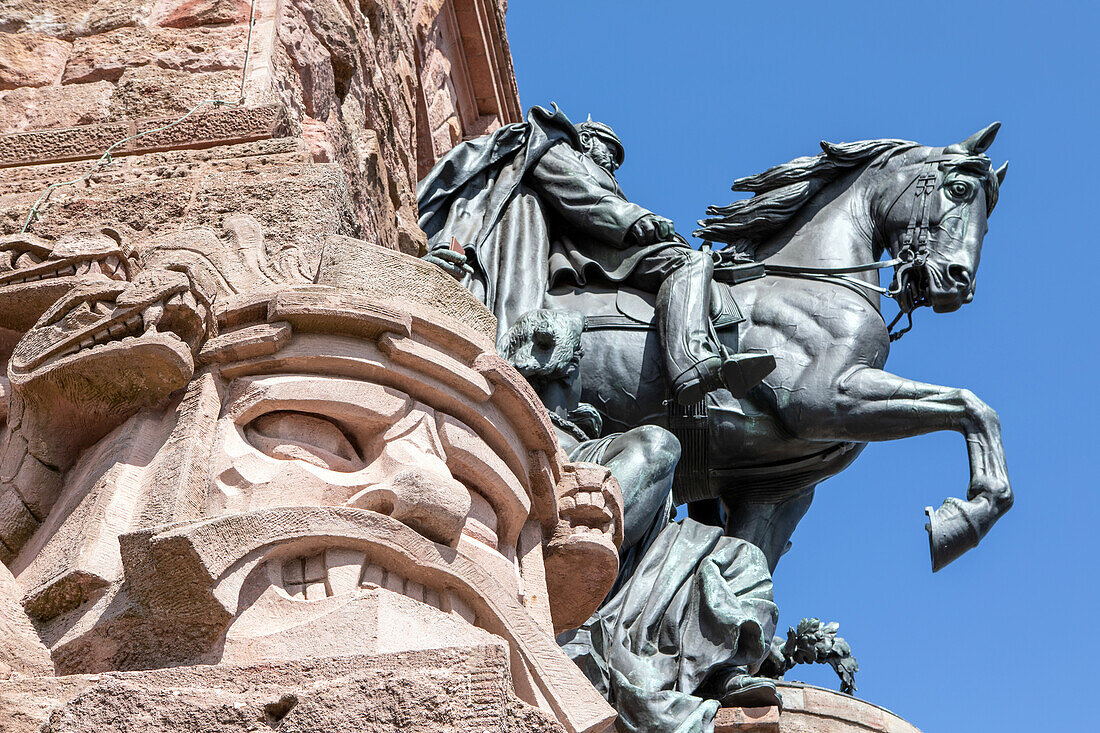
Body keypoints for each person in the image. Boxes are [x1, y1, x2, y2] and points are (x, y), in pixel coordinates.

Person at [418, 105, 773, 405]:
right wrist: (635, 219)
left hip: (610, 247)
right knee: (689, 262)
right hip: (587, 255)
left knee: (694, 259)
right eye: (610, 150)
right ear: (587, 140)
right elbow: (581, 196)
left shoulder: (601, 175)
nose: (614, 163)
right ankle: (692, 362)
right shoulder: (558, 151)